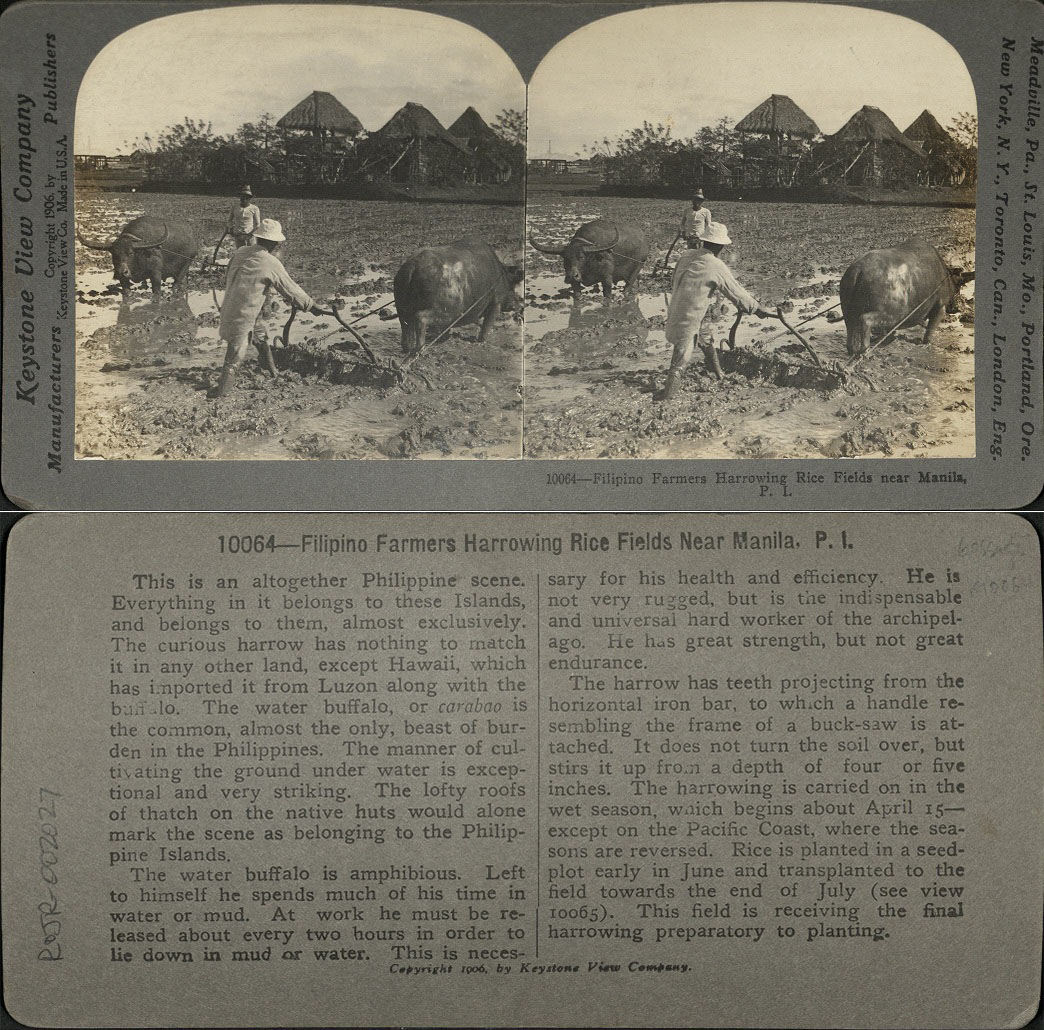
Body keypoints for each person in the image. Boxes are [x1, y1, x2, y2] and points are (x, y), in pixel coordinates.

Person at [658, 221, 777, 401]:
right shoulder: (715, 264)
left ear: (704, 241)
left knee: (706, 340)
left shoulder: (686, 255)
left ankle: (719, 374)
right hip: (688, 318)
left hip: (678, 310)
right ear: (720, 245)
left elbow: (675, 280)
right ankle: (667, 400)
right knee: (679, 361)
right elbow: (735, 291)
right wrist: (757, 308)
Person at [210, 218, 325, 398]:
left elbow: (230, 274)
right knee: (233, 359)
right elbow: (290, 288)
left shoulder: (240, 252)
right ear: (274, 244)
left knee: (260, 336)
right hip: (242, 316)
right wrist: (311, 306)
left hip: (230, 308)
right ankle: (221, 398)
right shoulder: (269, 261)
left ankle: (273, 372)